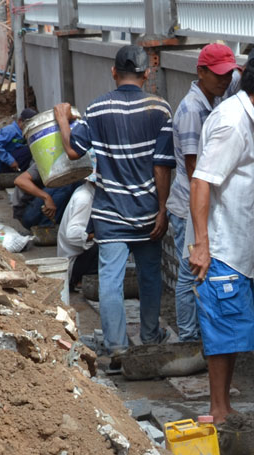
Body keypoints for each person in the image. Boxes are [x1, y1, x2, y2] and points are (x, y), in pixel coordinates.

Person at [187, 43, 254, 420]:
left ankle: (223, 407)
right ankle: (217, 409)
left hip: (234, 247)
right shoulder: (233, 122)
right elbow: (201, 181)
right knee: (221, 331)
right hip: (220, 248)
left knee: (230, 332)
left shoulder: (242, 117)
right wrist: (202, 245)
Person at [54, 44, 174, 366]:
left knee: (111, 280)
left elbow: (73, 151)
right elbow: (163, 166)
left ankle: (117, 345)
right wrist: (162, 209)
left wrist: (62, 119)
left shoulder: (96, 109)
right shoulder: (161, 110)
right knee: (150, 277)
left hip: (109, 214)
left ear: (113, 72)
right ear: (148, 74)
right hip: (148, 212)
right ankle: (150, 336)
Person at [166, 43, 240, 344]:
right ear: (201, 72)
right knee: (189, 276)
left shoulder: (213, 97)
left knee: (195, 273)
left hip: (195, 205)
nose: (225, 81)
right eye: (219, 75)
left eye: (227, 75)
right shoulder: (191, 110)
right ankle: (188, 339)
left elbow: (241, 76)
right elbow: (197, 168)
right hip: (187, 206)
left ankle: (196, 336)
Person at [55, 173, 99, 300]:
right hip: (73, 264)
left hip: (75, 258)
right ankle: (80, 281)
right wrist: (94, 235)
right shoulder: (85, 198)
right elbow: (72, 234)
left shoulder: (86, 191)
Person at [12, 162, 77, 232]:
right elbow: (19, 181)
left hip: (41, 208)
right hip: (27, 213)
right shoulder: (47, 161)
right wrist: (46, 197)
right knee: (66, 183)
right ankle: (45, 228)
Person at [0, 108, 36, 186]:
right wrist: (10, 160)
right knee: (29, 150)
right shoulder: (10, 130)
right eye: (28, 125)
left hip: (4, 165)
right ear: (20, 121)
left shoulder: (22, 134)